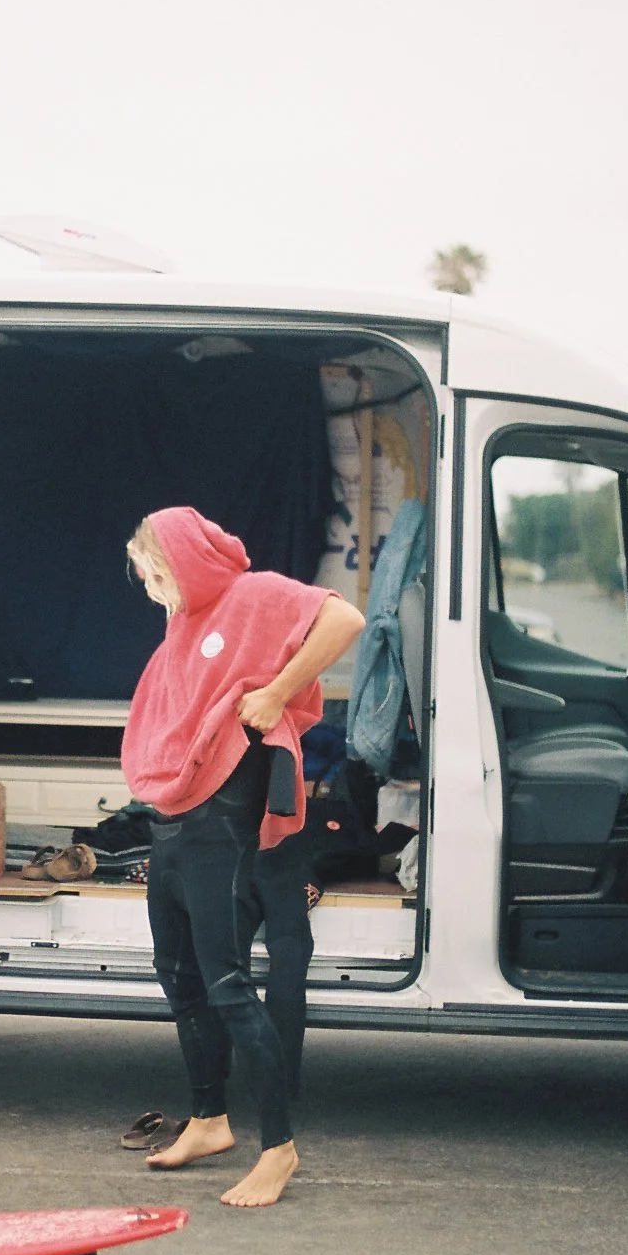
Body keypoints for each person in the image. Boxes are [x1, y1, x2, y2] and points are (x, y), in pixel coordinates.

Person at [120, 507, 364, 1207]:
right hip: (174, 822)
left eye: (154, 574)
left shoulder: (253, 594)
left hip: (220, 826)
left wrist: (277, 691)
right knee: (178, 975)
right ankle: (208, 1121)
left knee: (227, 985)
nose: (151, 589)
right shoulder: (184, 621)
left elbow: (344, 619)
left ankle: (278, 1150)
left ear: (179, 561)